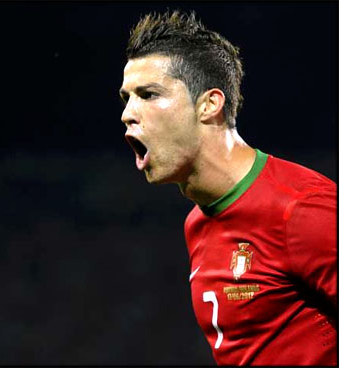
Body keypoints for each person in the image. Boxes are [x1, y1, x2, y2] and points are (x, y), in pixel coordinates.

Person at [118, 10, 336, 366]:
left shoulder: (301, 208)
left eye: (148, 94)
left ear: (209, 104)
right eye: (126, 98)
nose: (128, 113)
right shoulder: (197, 223)